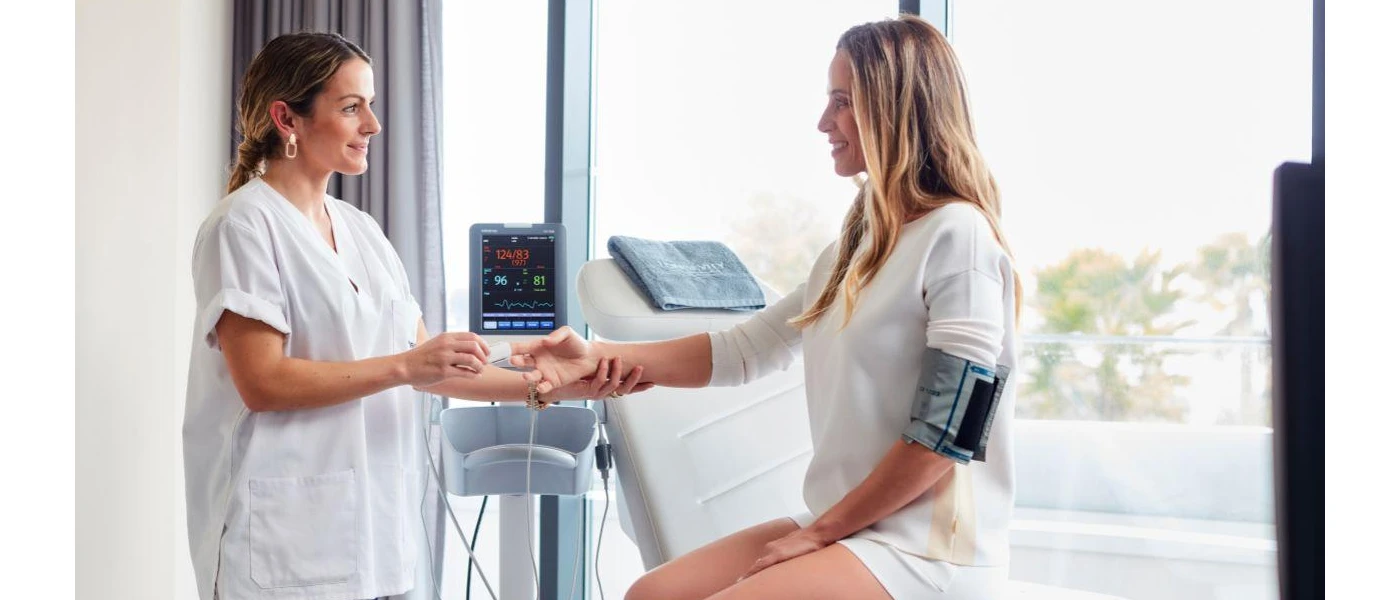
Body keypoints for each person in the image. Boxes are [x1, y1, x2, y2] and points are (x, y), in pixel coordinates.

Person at [512, 15, 1022, 600]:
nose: (824, 122)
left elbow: (948, 433)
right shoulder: (857, 246)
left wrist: (820, 534)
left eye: (842, 102)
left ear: (896, 109)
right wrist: (596, 354)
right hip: (849, 523)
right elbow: (745, 351)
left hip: (926, 550)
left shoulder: (958, 237)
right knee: (650, 595)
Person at [182, 32, 645, 600]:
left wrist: (557, 385)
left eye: (371, 105)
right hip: (285, 540)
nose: (372, 125)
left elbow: (436, 370)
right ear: (287, 118)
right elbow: (263, 382)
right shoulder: (243, 226)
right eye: (351, 107)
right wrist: (406, 366)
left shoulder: (362, 231)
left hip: (378, 537)